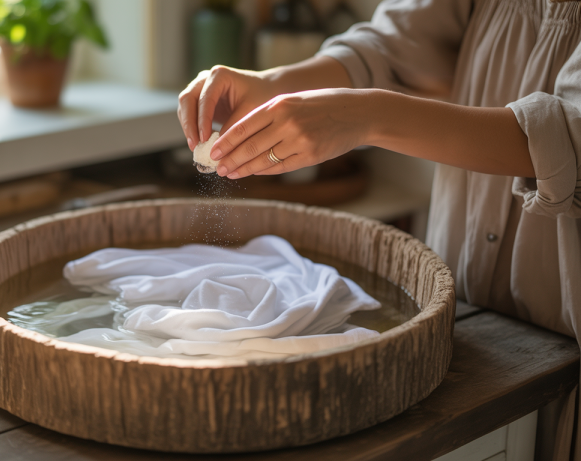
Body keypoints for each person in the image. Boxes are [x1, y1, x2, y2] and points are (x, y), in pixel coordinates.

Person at [177, 0, 581, 458]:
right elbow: (395, 47)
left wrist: (366, 117)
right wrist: (272, 84)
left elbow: (570, 138)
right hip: (470, 298)